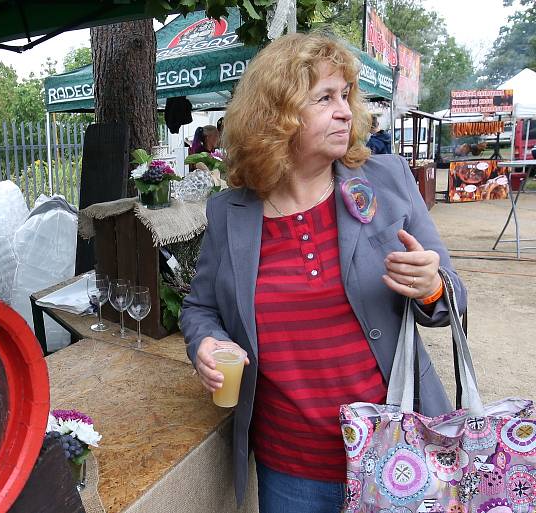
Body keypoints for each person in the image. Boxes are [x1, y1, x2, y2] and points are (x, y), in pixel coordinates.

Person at [180, 33, 467, 513]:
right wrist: (205, 342)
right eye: (325, 98)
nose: (345, 111)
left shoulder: (388, 180)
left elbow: (452, 297)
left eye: (346, 97)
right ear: (278, 115)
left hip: (398, 452)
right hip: (290, 467)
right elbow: (200, 307)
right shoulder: (231, 212)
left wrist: (433, 287)